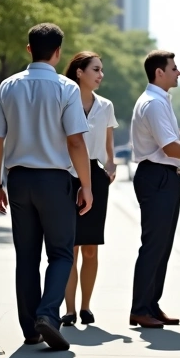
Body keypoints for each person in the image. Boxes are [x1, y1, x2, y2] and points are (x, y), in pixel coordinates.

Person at [0, 23, 93, 351]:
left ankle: (30, 329)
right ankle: (48, 313)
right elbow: (75, 142)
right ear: (59, 52)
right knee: (61, 253)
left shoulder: (8, 86)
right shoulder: (67, 88)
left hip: (18, 180)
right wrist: (86, 185)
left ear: (29, 49)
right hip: (54, 180)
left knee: (27, 255)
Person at [129, 50, 180, 329]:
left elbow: (177, 136)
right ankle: (140, 308)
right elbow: (171, 147)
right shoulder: (154, 104)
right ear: (159, 72)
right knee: (154, 245)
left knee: (162, 245)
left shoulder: (159, 101)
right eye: (174, 68)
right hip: (157, 177)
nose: (178, 72)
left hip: (163, 176)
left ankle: (150, 304)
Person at [61, 52, 118, 327]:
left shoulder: (105, 105)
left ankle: (86, 306)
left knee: (91, 249)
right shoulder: (63, 100)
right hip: (66, 176)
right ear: (79, 72)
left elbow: (109, 141)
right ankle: (69, 310)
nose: (100, 74)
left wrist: (111, 165)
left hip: (95, 177)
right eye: (95, 69)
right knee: (69, 248)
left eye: (101, 70)